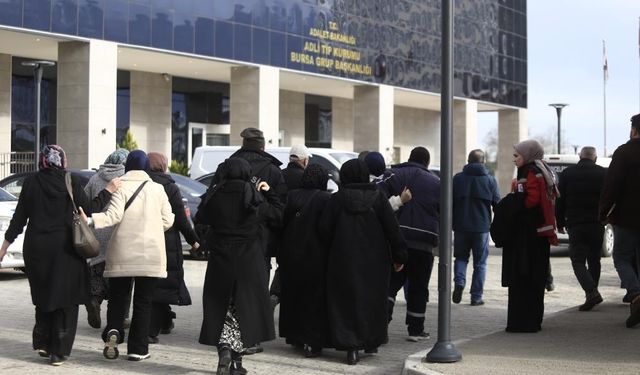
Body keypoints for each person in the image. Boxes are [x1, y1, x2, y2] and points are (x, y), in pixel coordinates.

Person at [0, 145, 118, 366]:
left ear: (42, 161)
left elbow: (19, 219)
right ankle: (59, 352)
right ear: (62, 161)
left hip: (37, 250)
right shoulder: (70, 180)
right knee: (66, 300)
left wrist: (4, 246)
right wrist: (109, 190)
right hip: (66, 251)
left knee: (44, 295)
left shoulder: (31, 182)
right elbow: (90, 208)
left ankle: (44, 343)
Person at [84, 150, 174, 361]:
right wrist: (152, 227)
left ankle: (114, 331)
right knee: (143, 302)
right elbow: (169, 219)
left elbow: (112, 216)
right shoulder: (158, 189)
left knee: (118, 298)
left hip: (122, 253)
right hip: (150, 254)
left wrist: (90, 220)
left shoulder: (121, 186)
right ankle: (138, 349)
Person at [197, 157, 281, 375]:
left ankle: (225, 350)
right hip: (248, 262)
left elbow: (200, 218)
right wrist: (269, 191)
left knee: (221, 308)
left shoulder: (215, 193)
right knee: (243, 311)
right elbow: (278, 214)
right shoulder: (253, 195)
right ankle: (236, 362)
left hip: (220, 262)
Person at [319, 159, 407, 365]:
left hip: (342, 260)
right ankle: (370, 341)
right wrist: (399, 256)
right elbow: (392, 230)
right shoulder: (379, 198)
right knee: (372, 302)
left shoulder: (337, 199)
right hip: (375, 262)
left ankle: (350, 347)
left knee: (345, 302)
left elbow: (324, 230)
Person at [502, 139, 558, 333]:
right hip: (539, 233)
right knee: (536, 279)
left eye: (517, 156)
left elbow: (532, 199)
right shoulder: (542, 169)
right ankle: (533, 321)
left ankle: (522, 322)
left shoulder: (529, 171)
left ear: (527, 155)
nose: (514, 159)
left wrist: (514, 207)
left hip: (528, 235)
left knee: (524, 279)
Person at [384, 147, 439, 342]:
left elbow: (378, 198)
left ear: (409, 158)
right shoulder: (437, 182)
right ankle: (415, 330)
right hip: (424, 242)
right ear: (427, 162)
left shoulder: (393, 174)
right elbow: (444, 212)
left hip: (397, 238)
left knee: (390, 283)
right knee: (418, 286)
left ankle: (382, 322)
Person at [278, 164, 332, 358]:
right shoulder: (326, 199)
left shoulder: (292, 195)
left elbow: (281, 222)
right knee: (314, 299)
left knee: (293, 296)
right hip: (316, 256)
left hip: (291, 254)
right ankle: (312, 341)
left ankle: (294, 335)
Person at [147, 152, 199, 343]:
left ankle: (162, 321)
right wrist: (194, 240)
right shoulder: (170, 187)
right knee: (163, 284)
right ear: (163, 165)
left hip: (144, 241)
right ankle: (152, 329)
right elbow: (181, 219)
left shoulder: (142, 183)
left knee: (152, 285)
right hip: (167, 242)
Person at [599, 113, 640, 327]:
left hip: (626, 217)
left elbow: (611, 186)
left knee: (622, 258)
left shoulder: (624, 153)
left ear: (633, 130)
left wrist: (603, 211)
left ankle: (635, 293)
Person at [83, 148, 129, 329]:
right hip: (118, 234)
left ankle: (94, 300)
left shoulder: (95, 178)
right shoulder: (127, 179)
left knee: (96, 273)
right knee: (120, 279)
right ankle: (122, 315)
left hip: (96, 234)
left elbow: (85, 204)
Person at [555, 146, 606, 311]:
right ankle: (592, 293)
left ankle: (591, 292)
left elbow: (560, 200)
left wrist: (560, 221)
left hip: (576, 224)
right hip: (597, 224)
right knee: (594, 260)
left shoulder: (568, 173)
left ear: (580, 156)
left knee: (577, 261)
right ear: (595, 158)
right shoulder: (603, 173)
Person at [452, 149, 500, 306]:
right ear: (483, 161)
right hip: (481, 228)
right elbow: (497, 204)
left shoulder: (457, 179)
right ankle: (476, 296)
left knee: (460, 258)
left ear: (468, 161)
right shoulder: (490, 180)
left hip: (460, 226)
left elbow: (448, 202)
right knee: (480, 263)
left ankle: (459, 282)